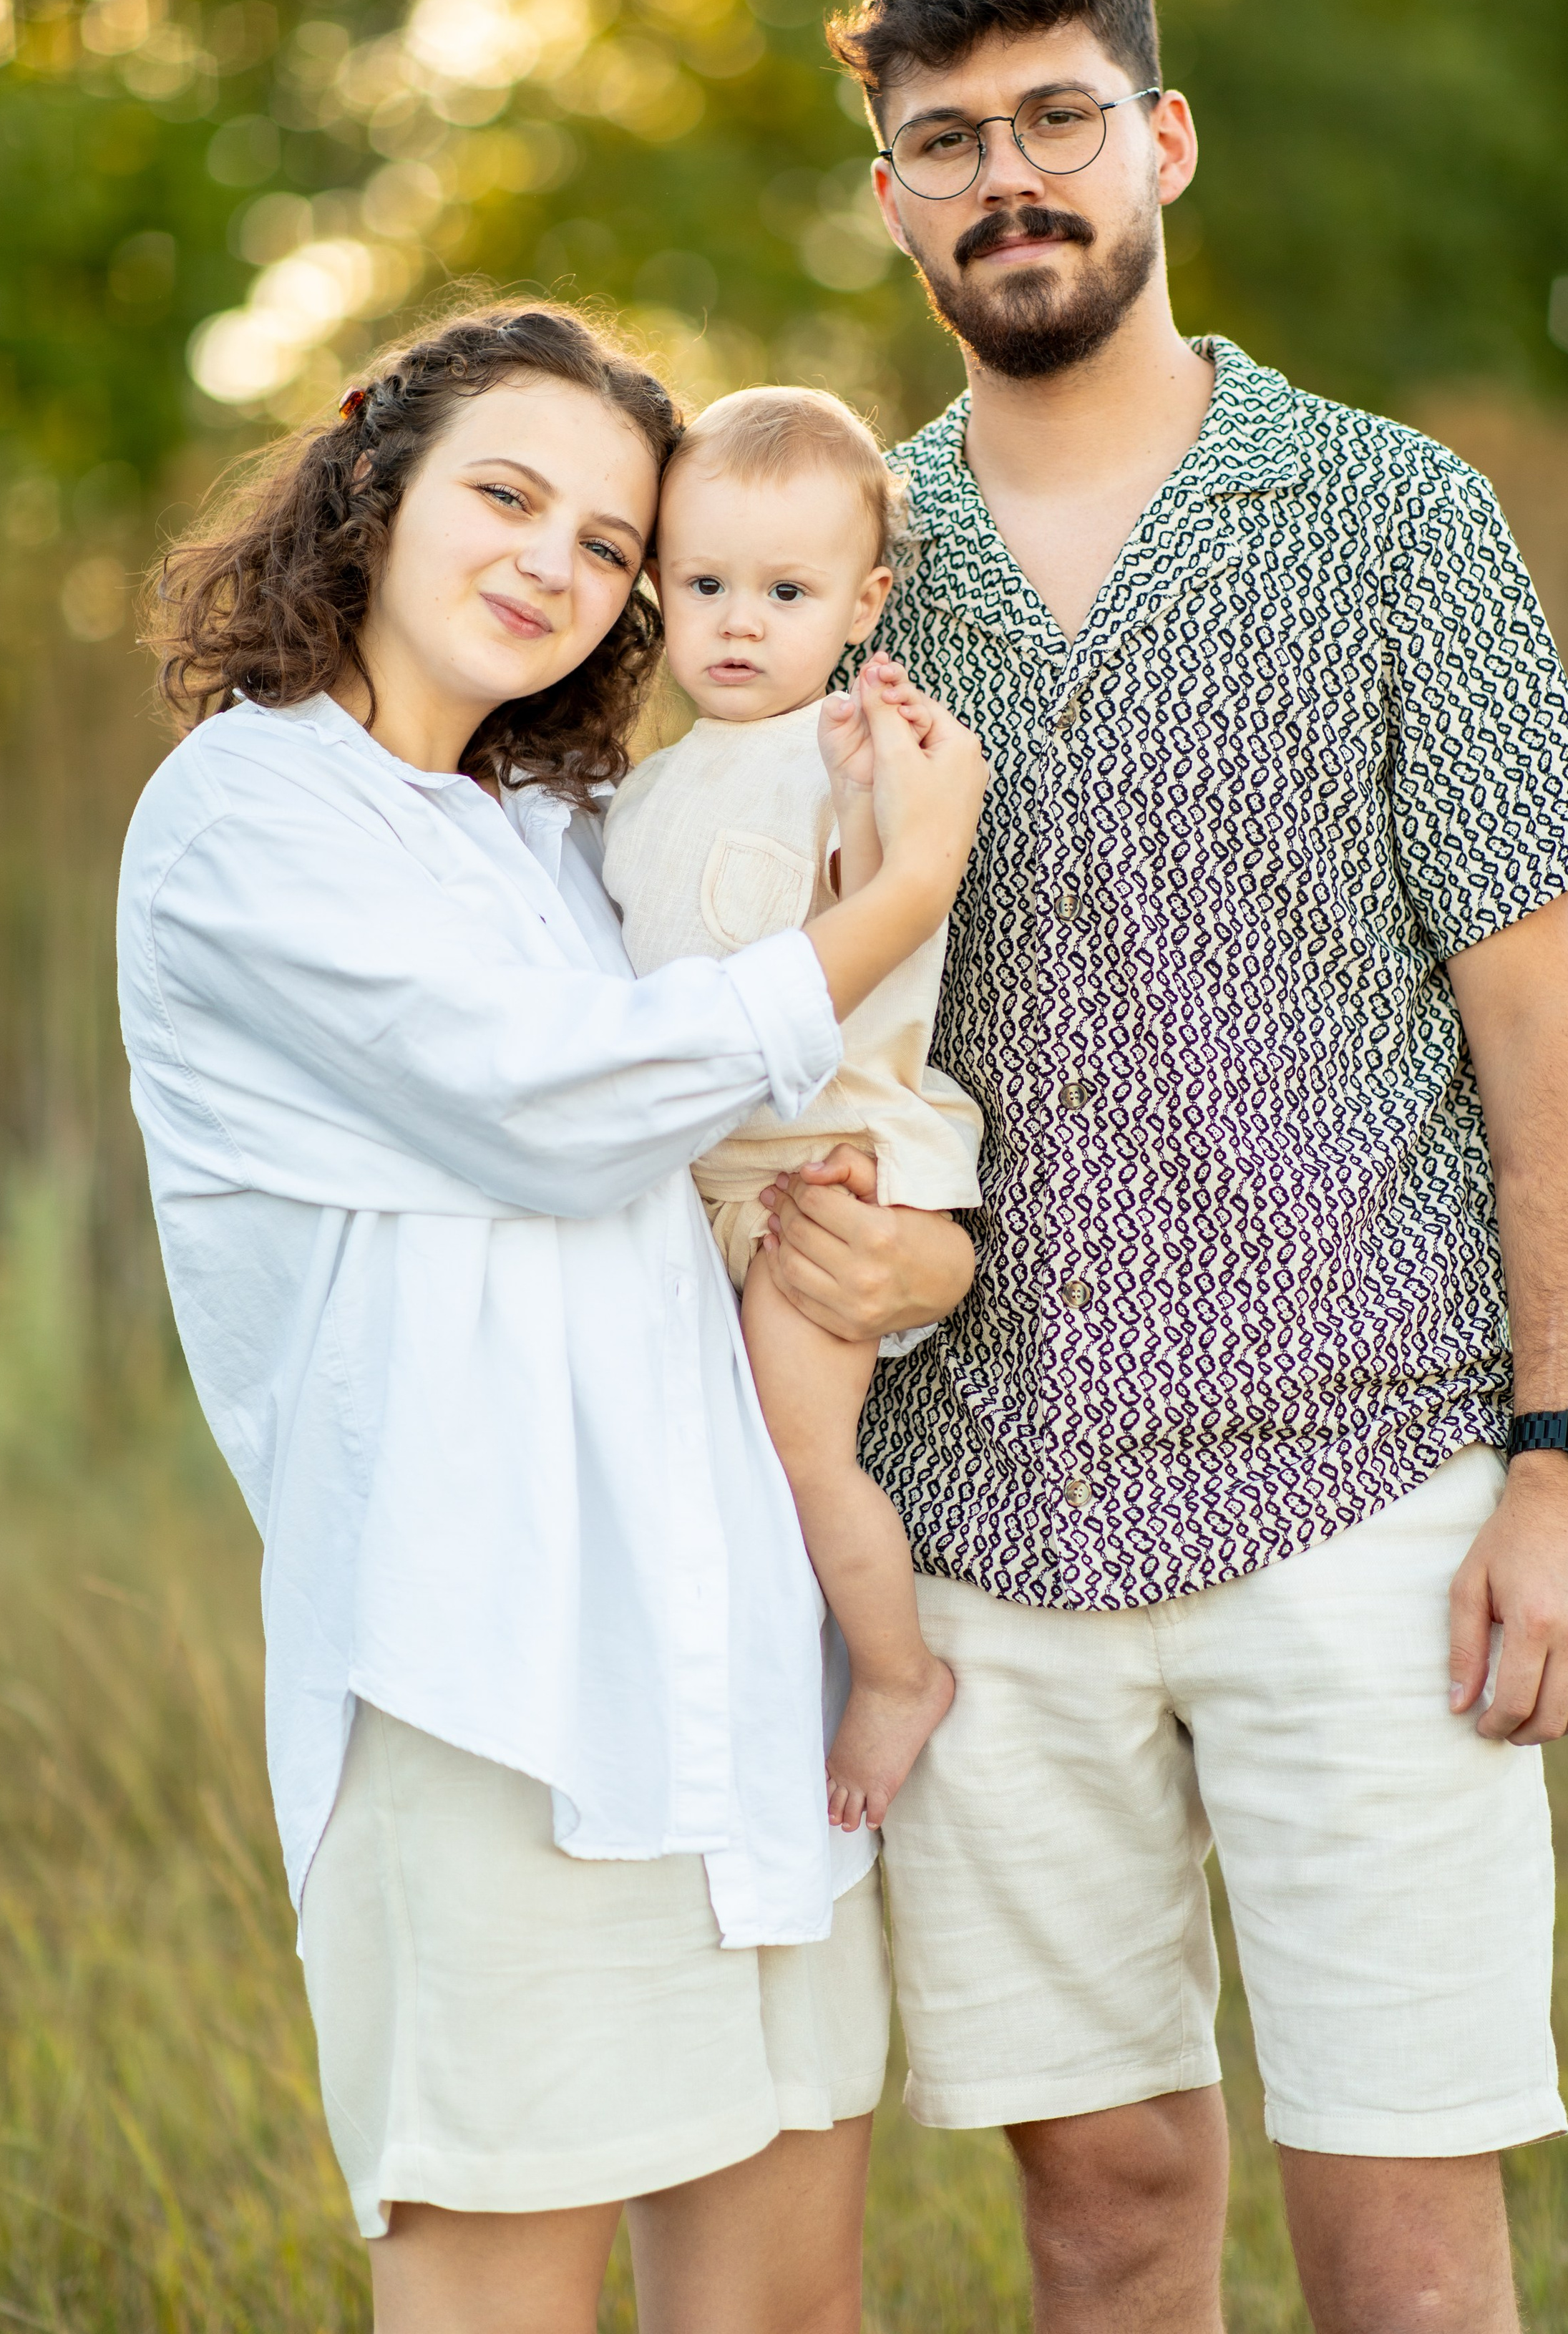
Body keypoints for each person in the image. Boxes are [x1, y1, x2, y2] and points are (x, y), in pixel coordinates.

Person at [753, 0, 1568, 2333]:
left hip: (1369, 1495)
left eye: (1053, 121)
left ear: (1159, 138)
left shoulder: (1394, 516)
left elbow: (1544, 1027)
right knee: (1111, 2214)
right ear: (891, 201)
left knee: (1406, 2234)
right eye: (945, 144)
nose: (1005, 178)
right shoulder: (854, 582)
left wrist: (1564, 1465)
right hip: (982, 1520)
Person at [117, 303, 987, 2334]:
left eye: (609, 543)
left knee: (781, 2312)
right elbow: (555, 1109)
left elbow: (758, 1159)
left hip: (737, 1656)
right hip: (491, 1681)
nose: (555, 564)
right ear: (375, 482)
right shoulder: (252, 821)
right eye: (508, 496)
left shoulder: (554, 834)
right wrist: (903, 889)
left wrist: (918, 1262)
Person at [603, 386, 982, 1837]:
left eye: (783, 590)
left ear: (863, 599)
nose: (737, 622)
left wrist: (868, 796)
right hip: (710, 1176)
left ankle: (893, 1677)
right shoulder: (642, 793)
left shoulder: (861, 750)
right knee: (710, 1455)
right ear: (656, 587)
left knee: (796, 1447)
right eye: (703, 586)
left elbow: (878, 924)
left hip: (838, 1164)